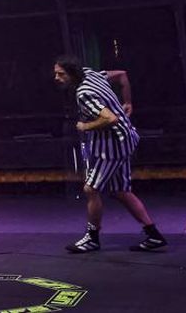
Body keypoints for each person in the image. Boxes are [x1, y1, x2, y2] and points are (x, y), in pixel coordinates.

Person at [53, 56, 167, 253]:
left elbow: (110, 118)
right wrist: (128, 102)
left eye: (61, 74)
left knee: (91, 189)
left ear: (72, 73)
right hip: (125, 139)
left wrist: (85, 126)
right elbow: (122, 75)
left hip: (112, 146)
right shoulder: (90, 74)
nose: (56, 78)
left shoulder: (84, 93)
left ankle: (92, 238)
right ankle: (153, 234)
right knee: (120, 191)